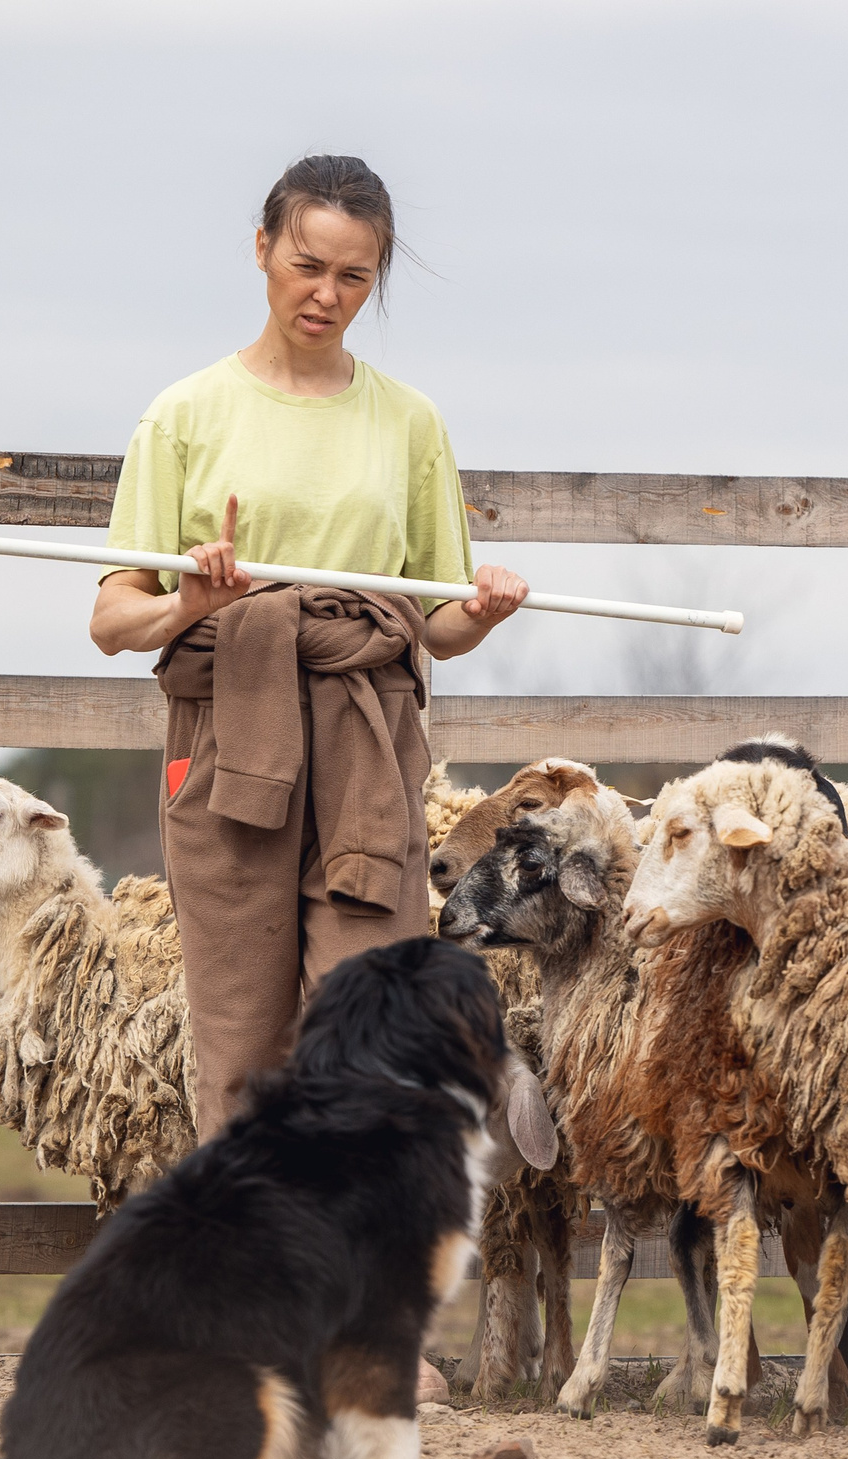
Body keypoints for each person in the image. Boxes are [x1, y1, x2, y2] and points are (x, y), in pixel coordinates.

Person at [89, 154, 528, 1138]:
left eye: (354, 276)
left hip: (366, 744)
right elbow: (113, 616)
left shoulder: (409, 424)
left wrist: (484, 610)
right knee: (240, 1048)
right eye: (306, 265)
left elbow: (438, 627)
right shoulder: (184, 417)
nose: (325, 295)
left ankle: (353, 1282)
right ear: (261, 250)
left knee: (369, 1040)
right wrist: (187, 607)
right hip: (222, 743)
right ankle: (247, 1281)